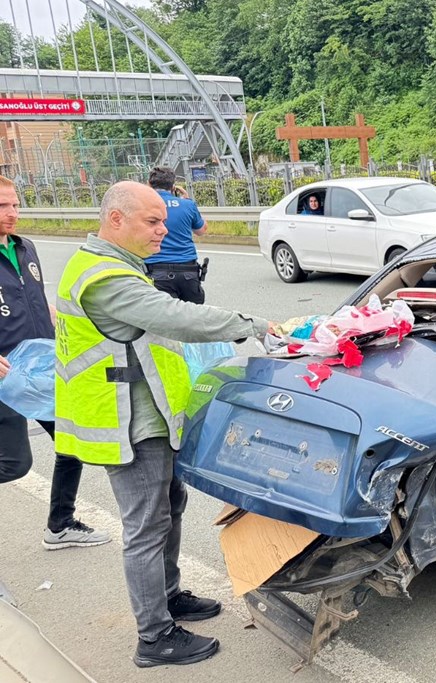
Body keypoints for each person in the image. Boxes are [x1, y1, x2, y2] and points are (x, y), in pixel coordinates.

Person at [55, 181, 275, 668]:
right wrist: (249, 324)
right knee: (146, 527)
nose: (163, 229)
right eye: (152, 222)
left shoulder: (114, 264)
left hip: (148, 414)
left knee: (169, 508)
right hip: (126, 422)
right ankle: (154, 638)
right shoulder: (106, 277)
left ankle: (169, 596)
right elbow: (173, 317)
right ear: (116, 219)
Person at [0, 175, 110, 550]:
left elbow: (35, 301)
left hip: (42, 367)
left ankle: (60, 525)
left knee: (72, 442)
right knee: (14, 464)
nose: (12, 213)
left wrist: (70, 326)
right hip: (4, 375)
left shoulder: (24, 247)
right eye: (2, 206)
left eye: (15, 204)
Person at [144, 167, 208, 304]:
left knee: (164, 320)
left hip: (156, 271)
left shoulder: (143, 205)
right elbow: (201, 230)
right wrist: (187, 200)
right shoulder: (187, 204)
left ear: (149, 184)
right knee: (193, 317)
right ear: (173, 186)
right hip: (188, 271)